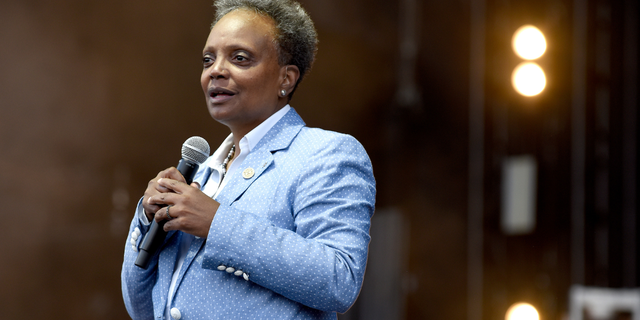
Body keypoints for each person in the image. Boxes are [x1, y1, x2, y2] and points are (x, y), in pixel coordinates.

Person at [121, 0, 376, 319]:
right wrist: (146, 220)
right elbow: (144, 309)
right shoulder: (203, 173)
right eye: (208, 59)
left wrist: (216, 223)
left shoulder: (325, 154)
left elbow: (339, 279)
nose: (216, 70)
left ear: (286, 78)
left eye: (240, 58)